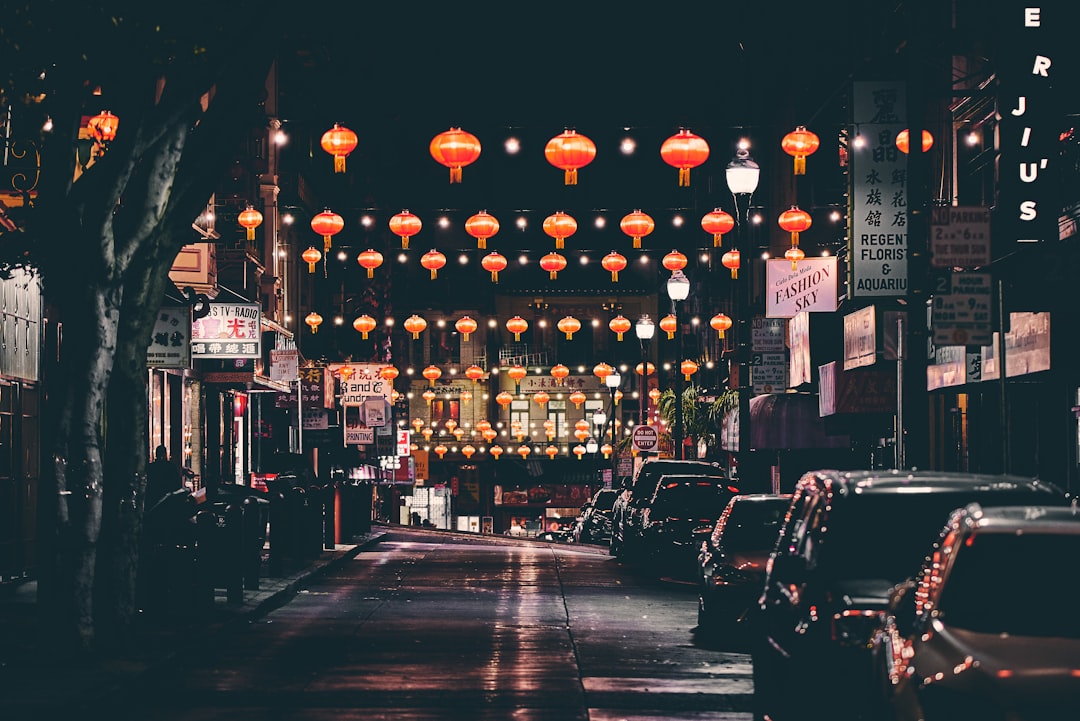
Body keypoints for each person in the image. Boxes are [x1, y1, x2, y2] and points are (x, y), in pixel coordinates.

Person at [146, 445, 184, 509]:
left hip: (153, 498)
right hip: (167, 498)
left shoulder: (151, 467)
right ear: (165, 454)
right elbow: (177, 483)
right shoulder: (170, 466)